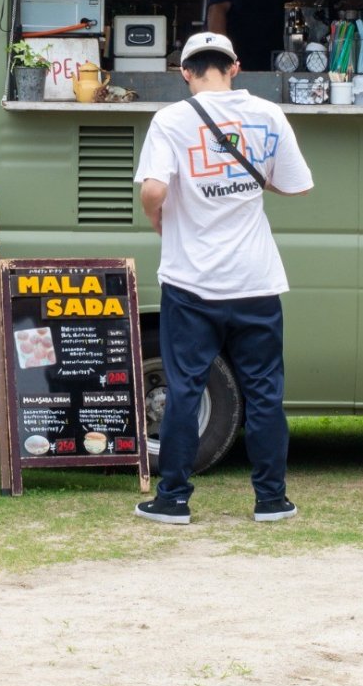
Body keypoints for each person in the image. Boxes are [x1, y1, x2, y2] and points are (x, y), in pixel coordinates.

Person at [133, 31, 314, 525]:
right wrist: (249, 181)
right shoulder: (268, 114)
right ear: (235, 66)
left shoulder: (170, 120)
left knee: (186, 389)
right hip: (255, 281)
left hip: (190, 283)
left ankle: (172, 499)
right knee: (264, 392)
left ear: (185, 72)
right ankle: (271, 500)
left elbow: (153, 189)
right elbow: (297, 186)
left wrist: (159, 218)